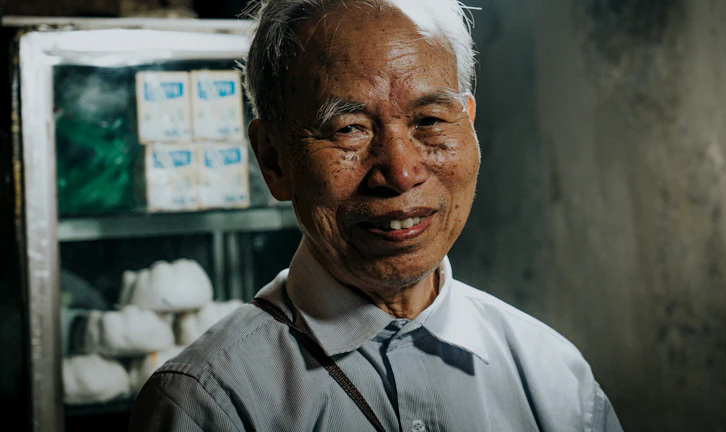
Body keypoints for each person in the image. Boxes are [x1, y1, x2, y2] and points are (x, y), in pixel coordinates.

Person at [129, 0, 623, 430]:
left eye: (429, 121)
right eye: (349, 128)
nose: (401, 172)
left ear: (469, 127)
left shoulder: (554, 377)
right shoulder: (211, 405)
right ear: (274, 160)